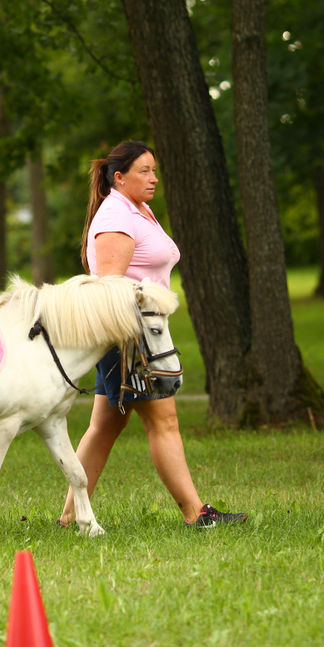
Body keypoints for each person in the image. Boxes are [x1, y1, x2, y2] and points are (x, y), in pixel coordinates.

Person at [58, 140, 247, 529]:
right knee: (164, 422)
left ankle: (70, 517)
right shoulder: (116, 216)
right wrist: (134, 343)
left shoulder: (137, 210)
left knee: (104, 427)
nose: (154, 178)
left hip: (139, 333)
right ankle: (196, 514)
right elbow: (111, 287)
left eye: (154, 170)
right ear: (119, 177)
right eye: (144, 171)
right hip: (130, 337)